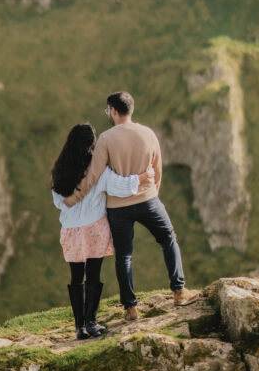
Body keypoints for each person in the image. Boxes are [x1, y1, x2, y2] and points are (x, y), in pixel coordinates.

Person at [63, 91, 198, 321]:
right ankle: (179, 291)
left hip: (118, 208)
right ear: (130, 109)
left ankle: (131, 308)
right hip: (148, 199)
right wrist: (153, 192)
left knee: (124, 255)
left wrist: (72, 198)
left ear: (113, 111)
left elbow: (94, 175)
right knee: (168, 239)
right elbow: (158, 168)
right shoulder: (148, 133)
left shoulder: (106, 138)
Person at [51, 123, 154, 340]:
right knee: (94, 275)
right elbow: (121, 185)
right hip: (95, 228)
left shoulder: (60, 169)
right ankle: (91, 322)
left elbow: (59, 202)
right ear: (92, 145)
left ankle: (79, 327)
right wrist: (145, 176)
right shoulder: (98, 170)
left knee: (76, 277)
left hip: (71, 231)